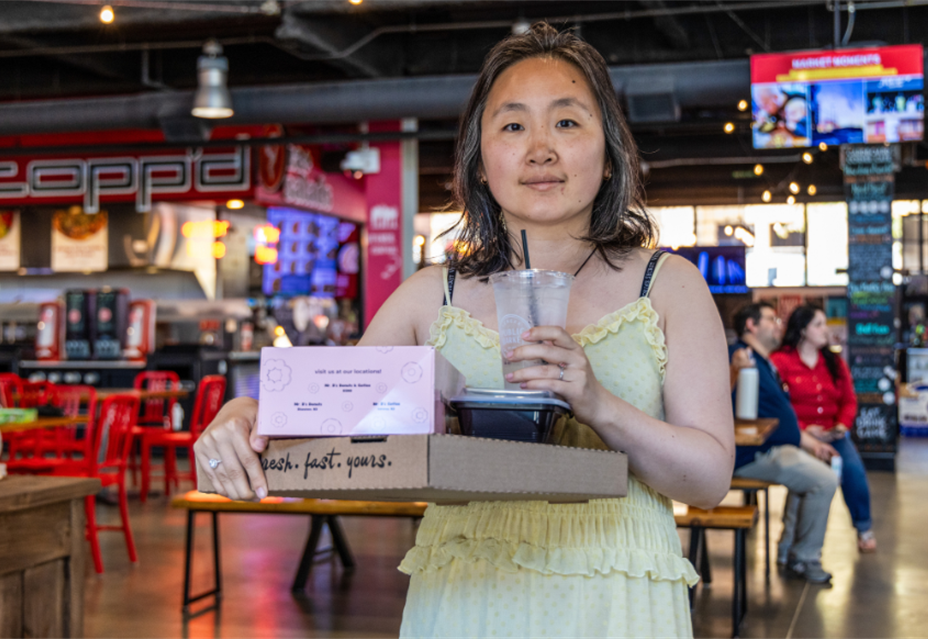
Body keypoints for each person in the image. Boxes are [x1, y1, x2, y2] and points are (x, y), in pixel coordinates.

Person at [195, 23, 735, 638]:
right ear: (479, 164)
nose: (540, 149)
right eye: (512, 125)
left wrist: (597, 404)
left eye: (567, 122)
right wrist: (248, 414)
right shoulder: (433, 295)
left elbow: (711, 479)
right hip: (466, 594)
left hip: (617, 595)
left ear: (609, 155)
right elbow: (330, 414)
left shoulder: (667, 285)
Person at [729, 302, 838, 583]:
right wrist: (734, 370)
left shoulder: (765, 363)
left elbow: (780, 417)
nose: (778, 324)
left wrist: (812, 443)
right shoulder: (738, 357)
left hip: (772, 449)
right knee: (824, 480)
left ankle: (788, 551)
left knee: (813, 470)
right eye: (770, 319)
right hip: (749, 455)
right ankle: (805, 557)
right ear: (751, 326)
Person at [771, 304, 877, 553]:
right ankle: (790, 544)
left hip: (834, 433)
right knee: (807, 480)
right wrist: (805, 429)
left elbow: (849, 400)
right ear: (803, 329)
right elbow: (776, 407)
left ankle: (864, 528)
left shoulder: (834, 361)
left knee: (853, 471)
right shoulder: (781, 361)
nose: (825, 330)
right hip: (798, 436)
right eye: (818, 324)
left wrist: (842, 425)